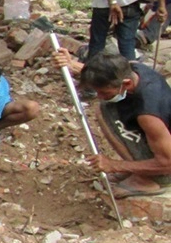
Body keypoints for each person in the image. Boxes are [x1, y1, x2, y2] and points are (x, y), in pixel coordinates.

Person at [55, 49, 171, 198]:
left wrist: (115, 165)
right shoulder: (133, 69)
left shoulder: (148, 115)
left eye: (105, 92)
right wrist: (71, 64)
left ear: (126, 84)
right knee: (105, 107)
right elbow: (107, 74)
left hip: (166, 166)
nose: (99, 96)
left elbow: (167, 163)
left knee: (106, 109)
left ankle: (150, 180)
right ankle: (137, 169)